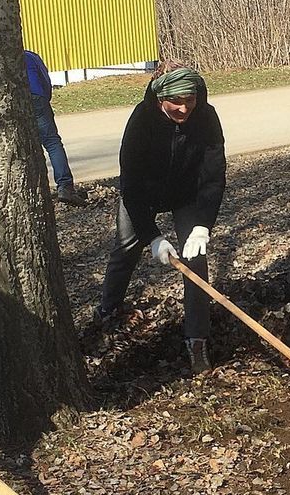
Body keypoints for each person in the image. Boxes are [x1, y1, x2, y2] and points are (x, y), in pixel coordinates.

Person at [94, 63, 226, 374]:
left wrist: (203, 225)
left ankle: (197, 339)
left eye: (189, 100)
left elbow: (213, 175)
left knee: (196, 259)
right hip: (145, 193)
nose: (184, 108)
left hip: (186, 194)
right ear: (159, 99)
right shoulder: (142, 121)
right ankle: (108, 310)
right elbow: (132, 184)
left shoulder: (206, 117)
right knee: (127, 246)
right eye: (176, 101)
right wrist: (151, 236)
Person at [24, 48, 82, 206]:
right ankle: (65, 186)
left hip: (16, 101)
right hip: (37, 97)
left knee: (25, 146)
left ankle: (32, 187)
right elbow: (45, 81)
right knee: (52, 143)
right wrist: (45, 100)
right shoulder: (30, 56)